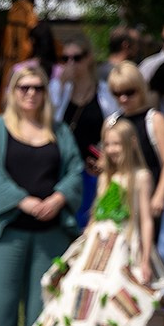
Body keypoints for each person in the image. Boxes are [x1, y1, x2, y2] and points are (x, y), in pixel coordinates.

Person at [20, 116, 158, 326]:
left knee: (116, 301)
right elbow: (97, 215)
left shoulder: (140, 177)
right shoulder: (105, 176)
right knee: (73, 297)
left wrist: (144, 258)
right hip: (97, 246)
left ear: (131, 144)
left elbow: (145, 219)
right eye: (108, 144)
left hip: (122, 245)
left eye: (117, 144)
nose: (112, 149)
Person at [0, 62, 84, 326]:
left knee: (46, 306)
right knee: (0, 304)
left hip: (50, 230)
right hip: (8, 230)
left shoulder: (59, 130)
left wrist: (58, 197)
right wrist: (22, 201)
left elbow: (75, 170)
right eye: (24, 87)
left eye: (38, 87)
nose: (31, 94)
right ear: (13, 92)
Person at [108, 62, 164, 270]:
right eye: (117, 93)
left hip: (149, 199)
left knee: (153, 259)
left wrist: (159, 195)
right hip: (121, 200)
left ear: (140, 89)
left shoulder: (154, 119)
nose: (123, 99)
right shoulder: (112, 122)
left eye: (129, 92)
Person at [50, 33, 105, 224]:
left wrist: (105, 158)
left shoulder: (104, 92)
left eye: (77, 58)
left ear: (89, 58)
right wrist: (59, 83)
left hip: (94, 170)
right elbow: (49, 119)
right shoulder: (59, 90)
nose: (71, 64)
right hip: (65, 170)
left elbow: (114, 127)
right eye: (65, 59)